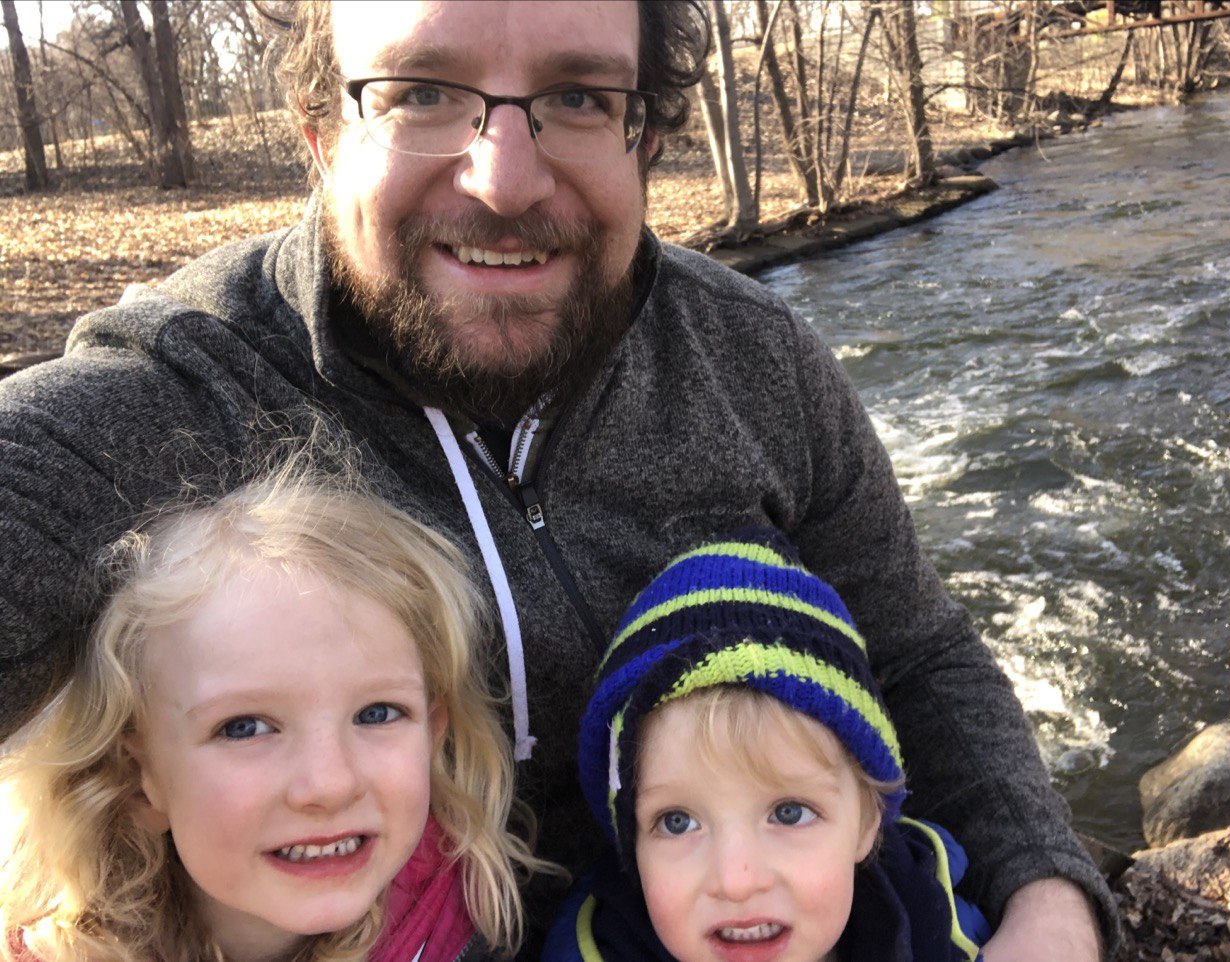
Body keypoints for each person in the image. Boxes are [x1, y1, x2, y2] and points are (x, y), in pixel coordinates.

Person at [0, 1, 1114, 958]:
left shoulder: (753, 358)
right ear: (318, 139)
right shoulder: (176, 391)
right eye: (420, 91)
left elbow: (912, 648)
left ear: (645, 139)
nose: (501, 178)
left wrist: (1047, 893)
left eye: (578, 96)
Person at [0, 467, 542, 962]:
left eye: (377, 713)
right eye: (245, 727)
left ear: (432, 734)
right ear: (140, 780)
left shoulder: (474, 924)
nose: (329, 785)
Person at [544, 529, 992, 962]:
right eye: (677, 822)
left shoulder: (942, 928)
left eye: (789, 812)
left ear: (867, 821)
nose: (736, 881)